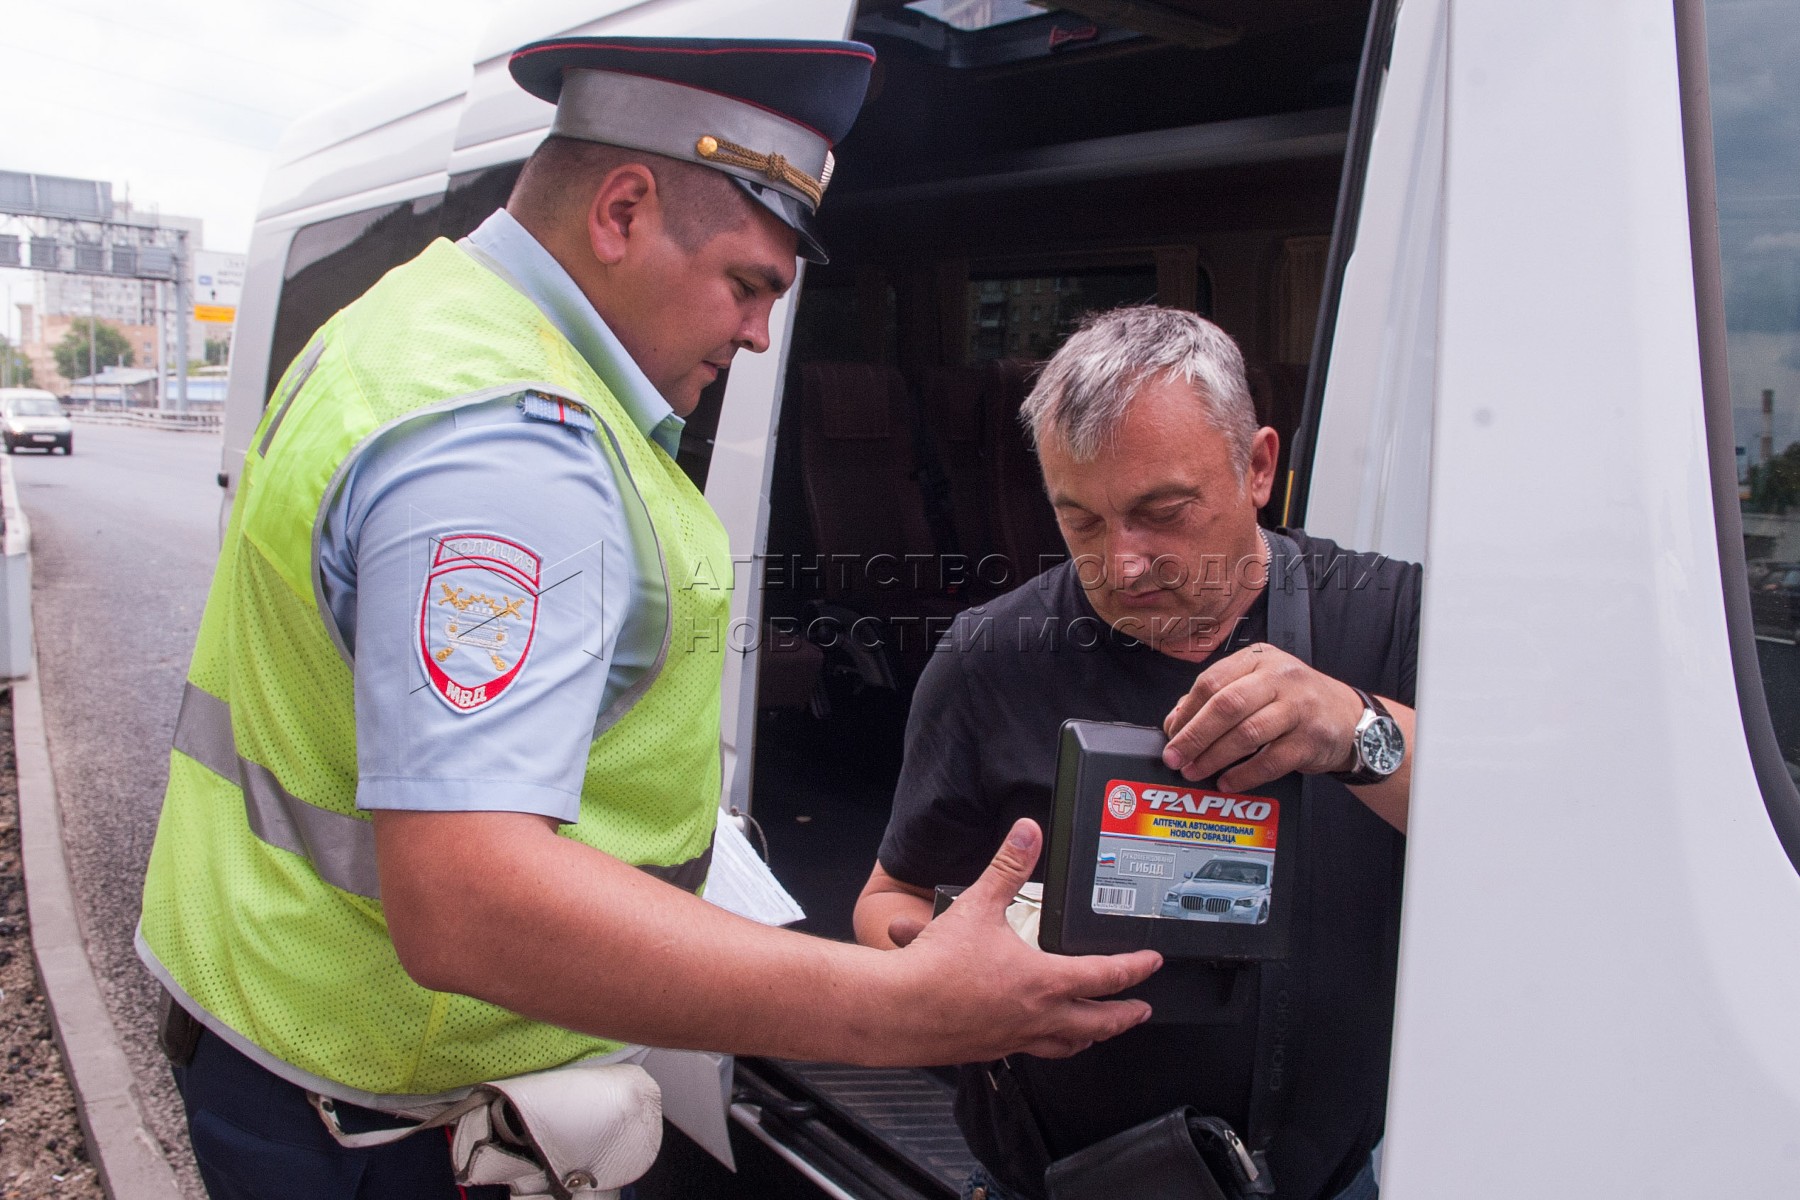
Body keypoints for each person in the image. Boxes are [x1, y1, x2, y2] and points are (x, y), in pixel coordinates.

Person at [136, 37, 1160, 1200]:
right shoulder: (508, 446)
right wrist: (900, 1010)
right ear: (622, 210)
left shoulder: (421, 322)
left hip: (292, 1043)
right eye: (749, 285)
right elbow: (469, 901)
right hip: (389, 1129)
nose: (762, 334)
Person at [855, 306, 1421, 1200]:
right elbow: (890, 899)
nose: (1122, 565)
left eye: (1162, 514)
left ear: (1259, 467)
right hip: (1063, 1178)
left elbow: (1521, 830)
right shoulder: (990, 659)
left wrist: (1356, 730)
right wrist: (950, 982)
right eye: (1081, 522)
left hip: (1332, 1177)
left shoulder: (1388, 615)